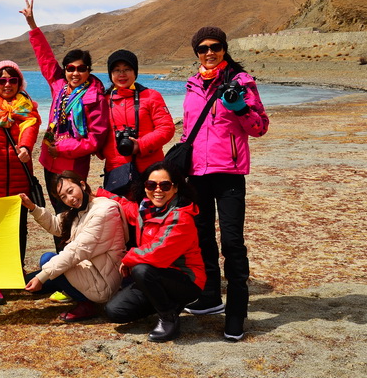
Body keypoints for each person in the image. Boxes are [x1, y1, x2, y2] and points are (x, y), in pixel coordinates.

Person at [180, 27, 269, 342]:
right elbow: (189, 128)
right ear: (197, 52)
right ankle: (209, 296)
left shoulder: (242, 82)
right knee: (202, 236)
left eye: (215, 46)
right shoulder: (192, 85)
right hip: (197, 174)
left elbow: (260, 127)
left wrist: (240, 107)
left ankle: (236, 312)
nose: (209, 52)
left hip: (229, 172)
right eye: (202, 48)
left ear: (224, 48)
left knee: (232, 242)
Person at [20, 0, 108, 213]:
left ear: (88, 70)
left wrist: (61, 148)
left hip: (72, 166)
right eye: (70, 68)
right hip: (49, 163)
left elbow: (95, 140)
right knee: (59, 213)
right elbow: (45, 58)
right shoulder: (58, 86)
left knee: (74, 212)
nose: (75, 73)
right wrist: (33, 26)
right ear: (65, 70)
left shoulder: (95, 97)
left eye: (81, 69)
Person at [101, 162, 205, 342]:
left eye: (165, 185)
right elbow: (125, 205)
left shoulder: (181, 217)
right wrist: (96, 193)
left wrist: (128, 258)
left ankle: (168, 318)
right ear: (144, 187)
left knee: (141, 270)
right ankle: (166, 303)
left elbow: (157, 253)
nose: (157, 190)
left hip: (186, 280)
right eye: (151, 185)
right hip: (155, 277)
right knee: (114, 311)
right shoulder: (145, 209)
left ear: (175, 188)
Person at [0, 60, 41, 304]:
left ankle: (15, 270)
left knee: (19, 230)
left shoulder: (28, 108)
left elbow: (30, 128)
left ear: (19, 83)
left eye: (13, 80)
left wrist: (25, 147)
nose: (7, 84)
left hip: (19, 181)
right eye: (2, 80)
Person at [20, 171, 127, 322]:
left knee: (48, 261)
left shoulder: (104, 211)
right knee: (34, 277)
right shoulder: (80, 209)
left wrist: (41, 277)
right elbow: (57, 225)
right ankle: (68, 288)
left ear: (82, 185)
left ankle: (86, 304)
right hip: (89, 268)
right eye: (63, 197)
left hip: (104, 281)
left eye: (70, 191)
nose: (69, 199)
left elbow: (76, 251)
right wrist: (33, 208)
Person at [99, 49, 175, 195]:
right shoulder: (103, 101)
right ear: (111, 74)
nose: (122, 74)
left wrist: (140, 145)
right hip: (116, 169)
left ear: (135, 72)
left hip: (150, 168)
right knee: (120, 208)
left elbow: (166, 128)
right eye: (117, 70)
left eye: (127, 69)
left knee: (152, 207)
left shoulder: (151, 96)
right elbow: (96, 130)